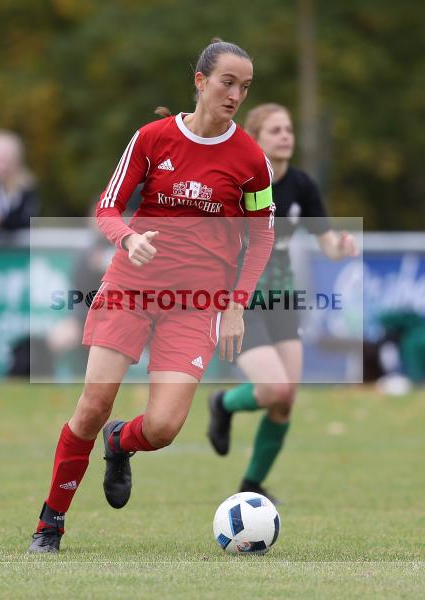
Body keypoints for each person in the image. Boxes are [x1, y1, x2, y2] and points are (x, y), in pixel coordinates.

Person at [28, 39, 275, 553]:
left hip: (197, 305)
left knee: (161, 427)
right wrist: (128, 238)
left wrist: (235, 305)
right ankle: (50, 524)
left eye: (245, 87)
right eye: (228, 82)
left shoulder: (251, 160)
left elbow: (262, 237)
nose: (236, 95)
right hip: (132, 289)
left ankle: (120, 443)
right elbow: (107, 207)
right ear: (201, 81)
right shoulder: (151, 138)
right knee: (93, 403)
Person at [205, 103, 358, 501]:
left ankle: (251, 483)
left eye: (288, 129)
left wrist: (341, 246)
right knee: (273, 388)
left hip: (283, 301)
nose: (285, 136)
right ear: (255, 139)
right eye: (275, 130)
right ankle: (222, 403)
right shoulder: (240, 182)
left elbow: (326, 243)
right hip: (240, 301)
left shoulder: (302, 185)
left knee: (285, 399)